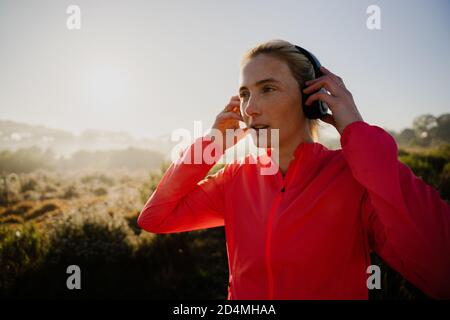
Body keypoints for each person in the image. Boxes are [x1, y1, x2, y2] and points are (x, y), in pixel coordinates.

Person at [137, 39, 450, 299]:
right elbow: (156, 218)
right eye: (245, 94)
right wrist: (212, 144)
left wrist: (356, 131)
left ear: (311, 99)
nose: (250, 108)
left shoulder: (355, 179)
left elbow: (439, 271)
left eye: (268, 89)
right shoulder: (236, 177)